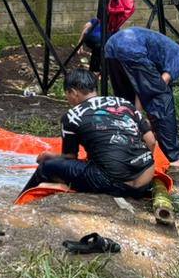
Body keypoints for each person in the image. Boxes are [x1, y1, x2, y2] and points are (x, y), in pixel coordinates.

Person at [22, 68, 157, 198]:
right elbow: (151, 141)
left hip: (113, 183)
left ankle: (21, 201)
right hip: (144, 180)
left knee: (46, 167)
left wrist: (50, 157)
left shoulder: (72, 116)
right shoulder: (124, 103)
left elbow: (70, 157)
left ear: (73, 92)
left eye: (67, 94)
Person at [103, 27, 179, 168]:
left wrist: (138, 115)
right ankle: (174, 156)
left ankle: (124, 142)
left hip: (111, 46)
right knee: (162, 97)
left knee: (126, 100)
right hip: (132, 48)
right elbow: (158, 87)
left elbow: (141, 87)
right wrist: (146, 116)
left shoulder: (165, 51)